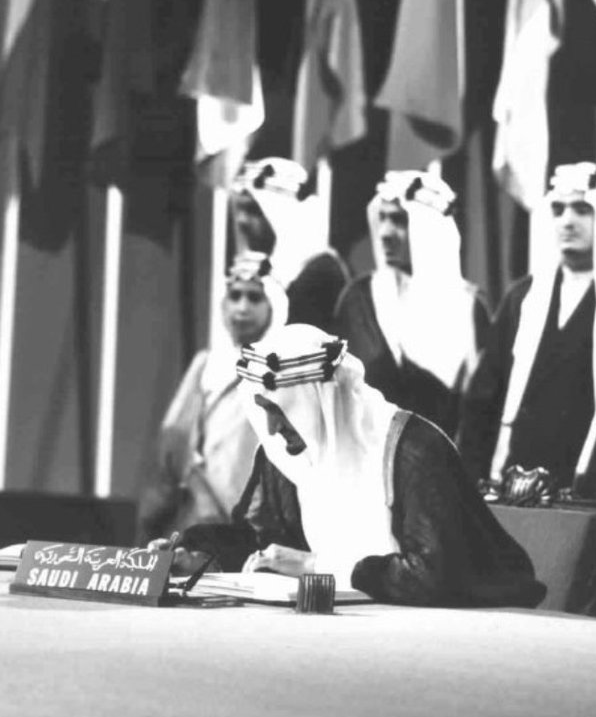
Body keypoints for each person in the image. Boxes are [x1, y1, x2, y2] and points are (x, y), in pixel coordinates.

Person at [176, 323, 546, 609]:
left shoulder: (412, 450)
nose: (271, 428)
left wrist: (317, 566)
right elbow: (262, 542)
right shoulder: (285, 451)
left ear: (318, 402)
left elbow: (434, 576)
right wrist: (199, 556)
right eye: (265, 412)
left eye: (280, 410)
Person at [458, 163, 596, 612]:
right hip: (514, 493)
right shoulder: (523, 298)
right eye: (558, 209)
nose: (567, 221)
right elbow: (483, 400)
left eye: (582, 209)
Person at [137, 252, 288, 542]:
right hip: (195, 514)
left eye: (255, 298)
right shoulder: (206, 364)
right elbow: (173, 439)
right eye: (235, 296)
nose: (242, 307)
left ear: (273, 306)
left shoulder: (280, 371)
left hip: (251, 521)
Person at [334, 171, 489, 436]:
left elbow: (480, 410)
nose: (385, 233)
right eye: (382, 218)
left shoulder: (470, 308)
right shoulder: (359, 299)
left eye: (399, 220)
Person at [230, 157, 349, 332]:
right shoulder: (267, 272)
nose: (242, 221)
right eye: (240, 210)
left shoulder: (319, 274)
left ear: (282, 212)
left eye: (253, 211)